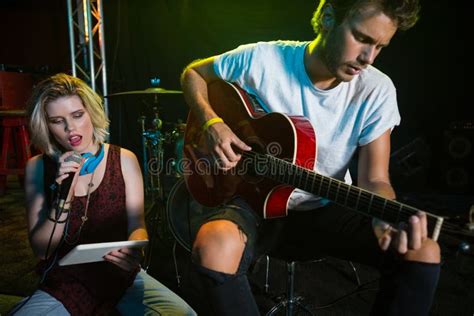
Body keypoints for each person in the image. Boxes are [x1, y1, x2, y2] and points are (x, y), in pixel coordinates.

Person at [180, 0, 440, 315]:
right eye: (362, 38)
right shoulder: (263, 58)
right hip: (254, 205)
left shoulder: (377, 90)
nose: (367, 58)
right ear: (329, 17)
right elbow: (193, 73)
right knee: (212, 245)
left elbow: (375, 179)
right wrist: (212, 122)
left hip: (324, 207)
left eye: (380, 47)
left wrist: (382, 218)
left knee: (423, 249)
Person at [11, 73, 196, 315]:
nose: (71, 128)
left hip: (119, 275)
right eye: (58, 120)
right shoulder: (38, 167)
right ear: (46, 126)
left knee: (183, 314)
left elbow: (136, 224)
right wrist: (63, 194)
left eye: (77, 115)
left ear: (91, 113)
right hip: (67, 281)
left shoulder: (124, 159)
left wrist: (135, 251)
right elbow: (42, 250)